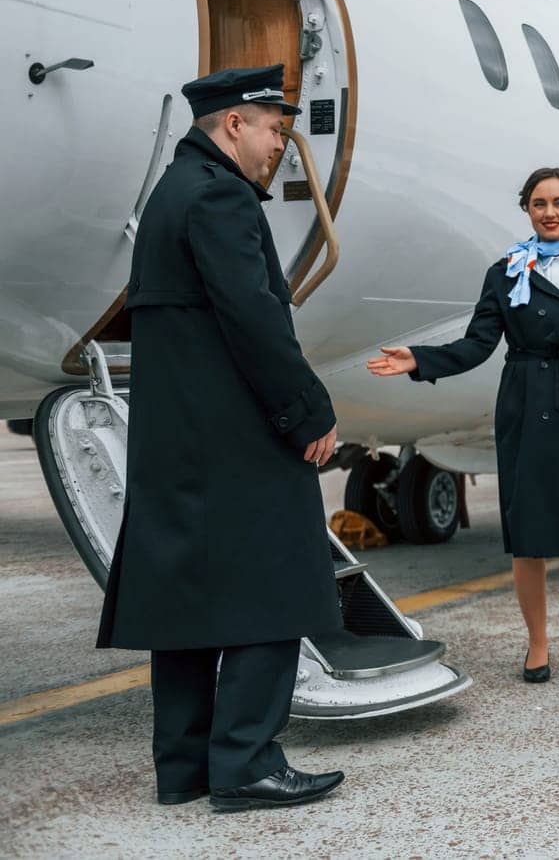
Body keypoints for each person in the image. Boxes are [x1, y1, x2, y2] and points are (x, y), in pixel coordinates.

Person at [98, 64, 346, 811]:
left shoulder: (174, 191)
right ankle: (246, 761)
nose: (280, 144)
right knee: (277, 586)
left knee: (186, 606)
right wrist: (308, 410)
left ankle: (185, 767)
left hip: (179, 437)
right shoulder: (220, 195)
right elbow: (255, 316)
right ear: (235, 122)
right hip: (234, 436)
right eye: (275, 128)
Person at [367, 168, 559, 686]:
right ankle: (537, 646)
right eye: (538, 203)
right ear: (527, 210)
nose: (550, 212)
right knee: (529, 535)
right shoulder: (507, 272)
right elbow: (477, 345)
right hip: (526, 406)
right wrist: (420, 359)